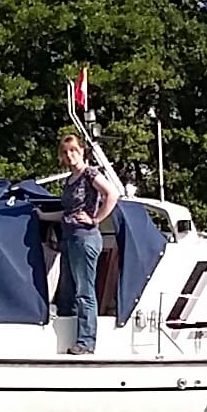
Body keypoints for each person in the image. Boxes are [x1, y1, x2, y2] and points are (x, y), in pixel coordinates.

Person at [55, 132, 119, 354]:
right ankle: (67, 337)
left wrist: (96, 219)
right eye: (65, 152)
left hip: (85, 238)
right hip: (69, 238)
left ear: (82, 151)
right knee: (67, 291)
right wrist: (41, 216)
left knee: (84, 291)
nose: (69, 155)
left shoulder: (89, 173)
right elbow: (68, 212)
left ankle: (86, 342)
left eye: (73, 150)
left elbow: (112, 194)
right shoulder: (69, 180)